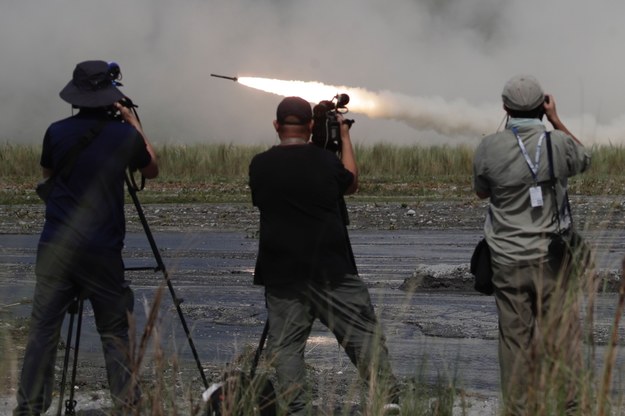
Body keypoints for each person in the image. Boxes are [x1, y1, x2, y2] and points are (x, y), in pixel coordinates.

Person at [14, 60, 158, 416]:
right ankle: (127, 407)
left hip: (56, 245)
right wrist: (134, 123)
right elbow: (151, 167)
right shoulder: (124, 135)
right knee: (114, 333)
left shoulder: (56, 132)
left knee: (43, 332)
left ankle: (29, 408)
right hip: (102, 247)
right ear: (110, 95)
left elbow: (48, 175)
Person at [248, 96, 400, 415]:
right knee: (362, 336)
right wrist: (343, 137)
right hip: (332, 269)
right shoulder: (325, 162)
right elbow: (351, 182)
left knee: (286, 349)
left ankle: (296, 408)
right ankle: (386, 399)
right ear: (311, 126)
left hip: (281, 273)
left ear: (277, 126)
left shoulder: (259, 165)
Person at [473, 75, 590, 415]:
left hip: (507, 259)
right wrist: (556, 121)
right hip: (552, 260)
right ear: (543, 105)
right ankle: (572, 407)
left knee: (514, 342)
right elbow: (584, 159)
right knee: (564, 340)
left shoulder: (488, 147)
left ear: (505, 108)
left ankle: (519, 409)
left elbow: (482, 191)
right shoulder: (558, 144)